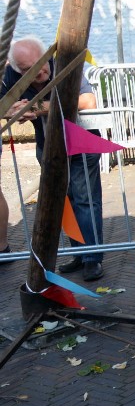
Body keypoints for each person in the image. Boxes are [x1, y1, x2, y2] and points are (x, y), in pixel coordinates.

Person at [1, 37, 105, 280]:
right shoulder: (10, 76)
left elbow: (89, 101)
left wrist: (41, 107)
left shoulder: (66, 64)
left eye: (43, 63)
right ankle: (80, 254)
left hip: (81, 143)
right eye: (30, 70)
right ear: (18, 71)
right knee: (63, 201)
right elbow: (3, 105)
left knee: (84, 200)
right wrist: (14, 110)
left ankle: (93, 257)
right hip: (47, 146)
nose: (41, 72)